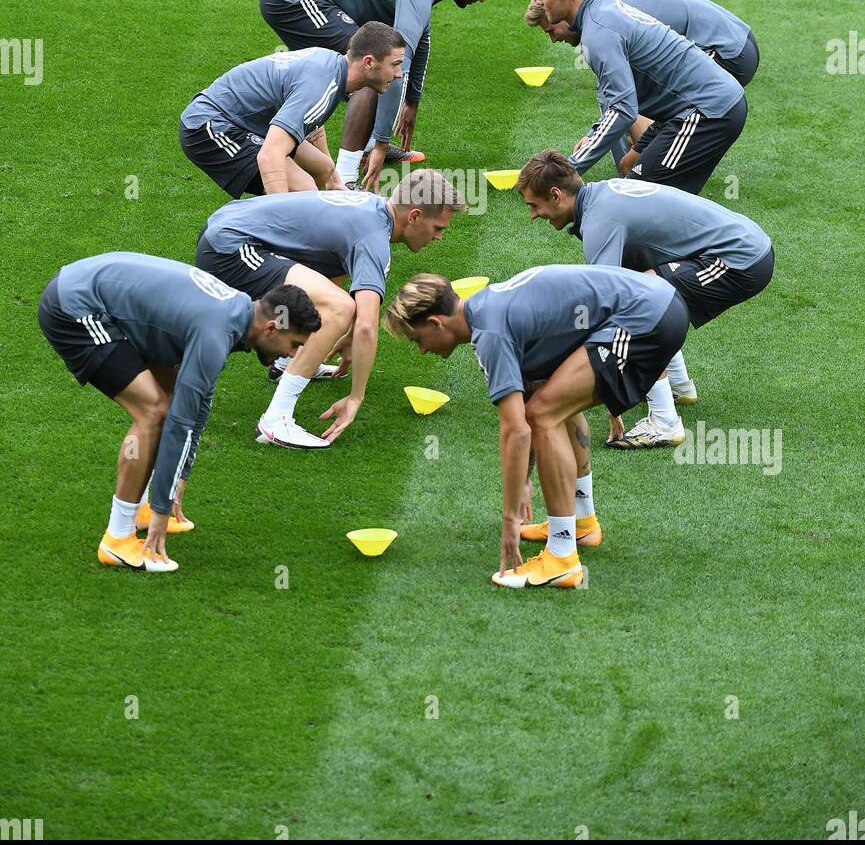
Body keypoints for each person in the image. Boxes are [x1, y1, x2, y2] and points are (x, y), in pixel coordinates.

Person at [384, 266, 689, 589]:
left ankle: (561, 558)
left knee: (544, 415)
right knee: (552, 403)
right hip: (654, 305)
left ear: (435, 322)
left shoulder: (490, 333)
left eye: (418, 339)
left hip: (647, 315)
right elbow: (536, 386)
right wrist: (525, 479)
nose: (421, 350)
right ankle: (582, 523)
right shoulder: (489, 310)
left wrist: (509, 517)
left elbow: (517, 431)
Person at [37, 253, 321, 573]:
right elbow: (180, 422)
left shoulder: (236, 313)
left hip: (103, 298)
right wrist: (163, 508)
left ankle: (141, 508)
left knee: (169, 400)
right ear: (272, 327)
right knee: (154, 412)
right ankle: (116, 539)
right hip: (74, 306)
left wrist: (179, 476)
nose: (293, 355)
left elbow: (200, 402)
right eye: (295, 344)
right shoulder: (216, 333)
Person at [516, 152, 775, 452]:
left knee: (642, 305)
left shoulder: (600, 222)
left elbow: (609, 310)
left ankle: (665, 421)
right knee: (643, 284)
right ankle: (677, 385)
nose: (533, 215)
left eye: (534, 206)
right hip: (744, 244)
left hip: (741, 259)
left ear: (556, 195)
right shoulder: (602, 195)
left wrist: (609, 398)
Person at [195, 171, 467, 448]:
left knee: (332, 290)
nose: (439, 237)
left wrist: (348, 334)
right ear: (415, 216)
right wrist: (355, 396)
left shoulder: (371, 207)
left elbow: (330, 277)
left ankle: (289, 362)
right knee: (340, 307)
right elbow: (366, 325)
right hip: (229, 247)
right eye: (438, 228)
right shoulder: (374, 237)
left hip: (227, 226)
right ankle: (275, 420)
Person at [260, 0, 499, 188]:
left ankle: (343, 156)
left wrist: (412, 101)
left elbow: (421, 38)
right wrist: (383, 143)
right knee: (373, 69)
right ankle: (346, 177)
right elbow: (397, 68)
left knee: (365, 66)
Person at [526, 0, 747, 192]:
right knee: (628, 167)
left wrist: (568, 171)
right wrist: (593, 136)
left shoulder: (598, 32)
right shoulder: (600, 10)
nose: (540, 0)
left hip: (708, 111)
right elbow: (615, 100)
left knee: (637, 196)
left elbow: (623, 109)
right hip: (682, 112)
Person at [179, 24, 405, 197]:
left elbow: (311, 120)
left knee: (322, 168)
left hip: (247, 122)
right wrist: (287, 214)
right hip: (210, 125)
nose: (399, 74)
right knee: (303, 189)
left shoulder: (332, 67)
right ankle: (281, 241)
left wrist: (334, 180)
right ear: (368, 62)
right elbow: (269, 156)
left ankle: (296, 228)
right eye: (395, 64)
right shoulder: (321, 85)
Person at [525, 0, 760, 85]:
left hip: (730, 54)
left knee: (652, 98)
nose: (554, 39)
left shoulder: (604, 24)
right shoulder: (603, 4)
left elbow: (625, 103)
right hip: (742, 40)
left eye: (551, 30)